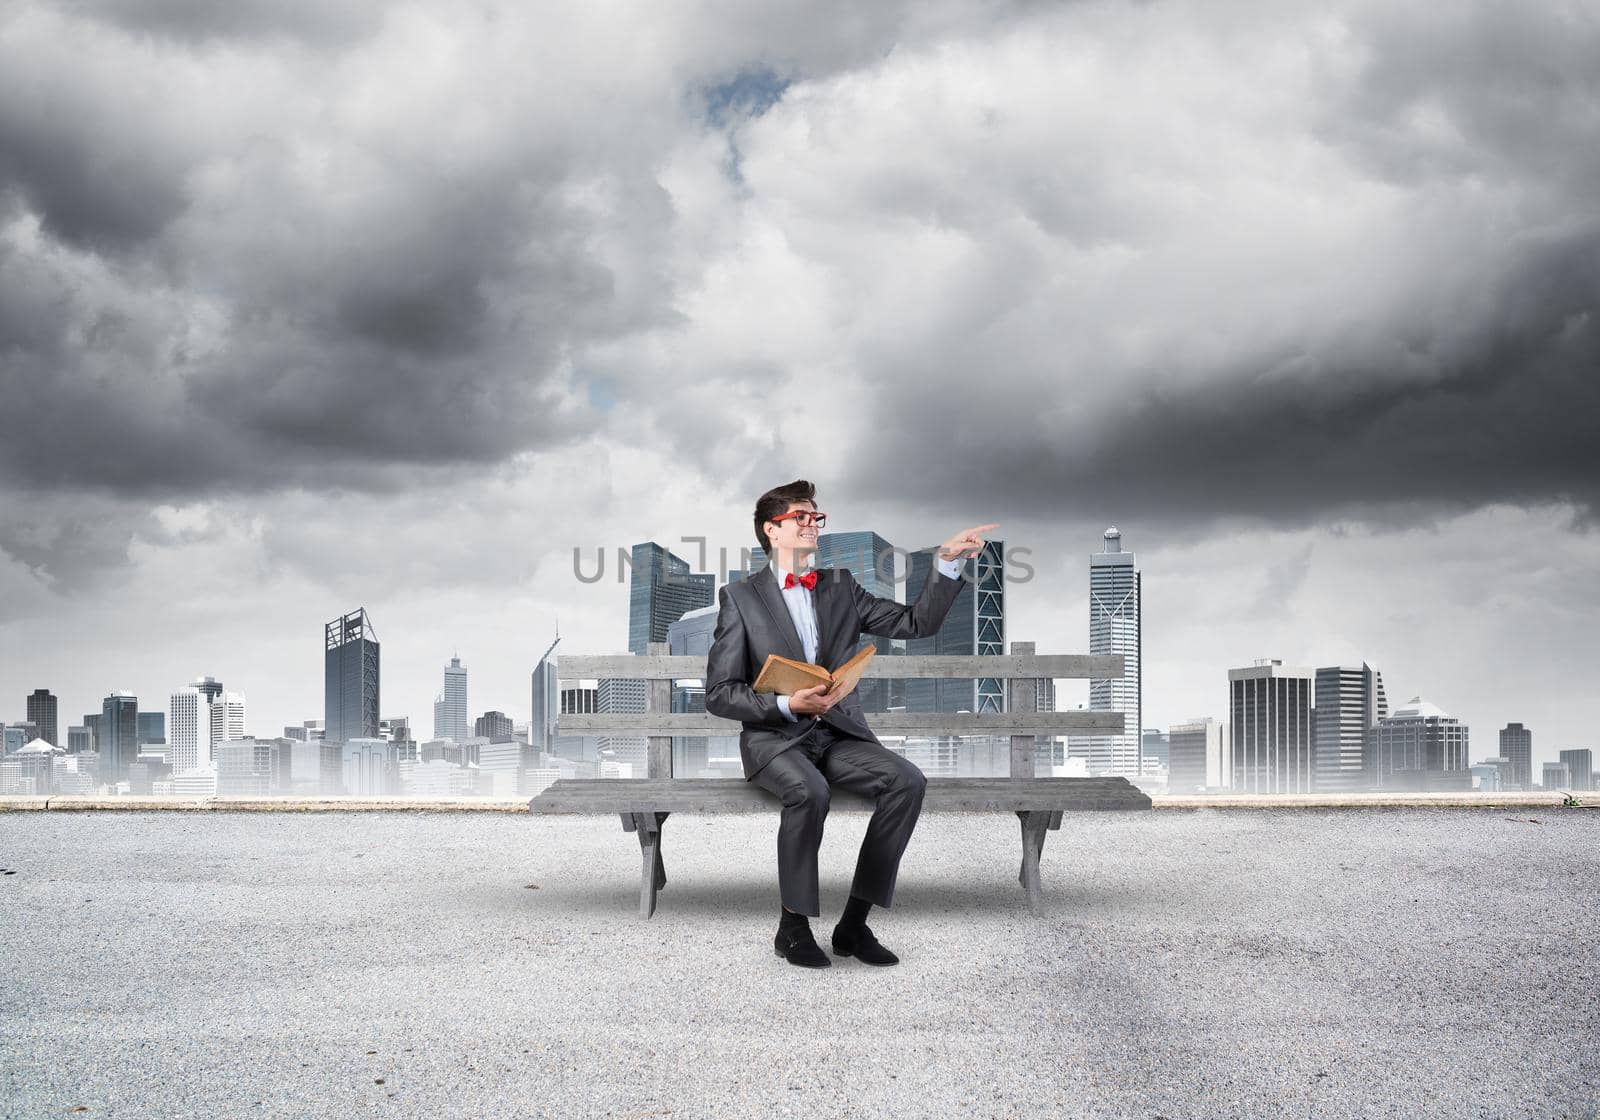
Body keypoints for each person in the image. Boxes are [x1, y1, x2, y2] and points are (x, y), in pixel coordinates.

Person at [703, 478, 997, 968]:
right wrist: (786, 705)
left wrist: (946, 560)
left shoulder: (841, 587)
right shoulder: (739, 598)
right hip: (776, 739)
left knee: (906, 781)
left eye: (817, 517)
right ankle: (792, 927)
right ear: (771, 531)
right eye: (802, 517)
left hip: (836, 734)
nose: (813, 525)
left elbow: (914, 624)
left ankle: (854, 925)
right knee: (809, 792)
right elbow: (719, 693)